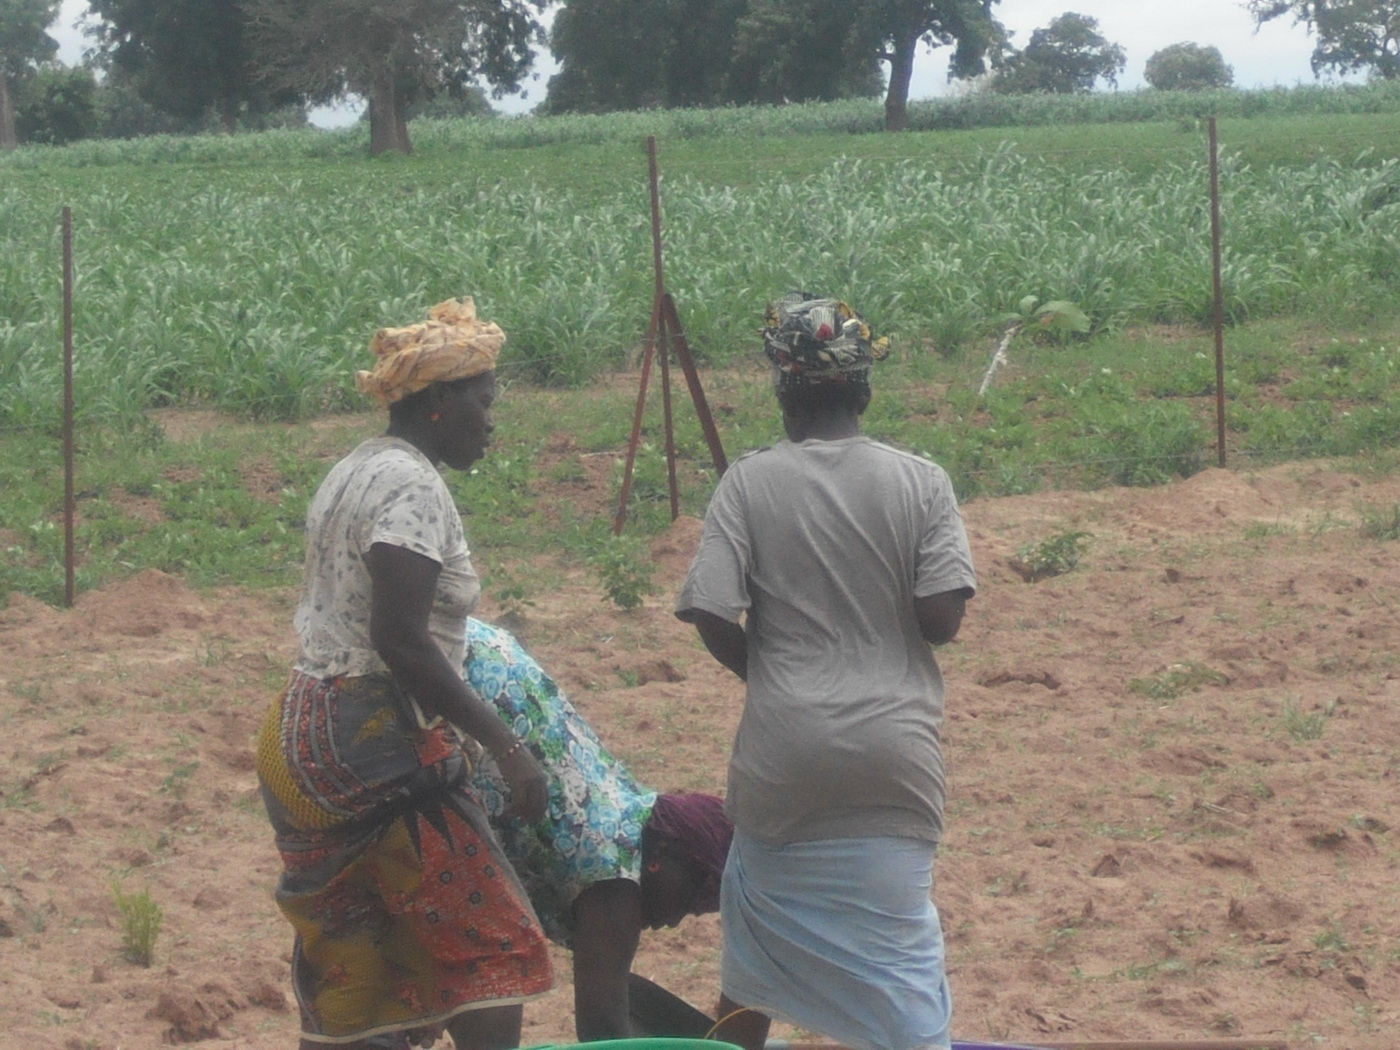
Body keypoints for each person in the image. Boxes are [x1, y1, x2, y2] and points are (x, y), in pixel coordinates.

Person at [674, 292, 978, 1050]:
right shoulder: (922, 482)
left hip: (784, 755)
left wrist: (771, 674)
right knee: (903, 959)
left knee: (750, 974)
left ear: (785, 393)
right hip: (894, 756)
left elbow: (712, 611)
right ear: (865, 388)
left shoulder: (748, 483)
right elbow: (941, 620)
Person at [256, 298, 555, 1050]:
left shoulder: (355, 467)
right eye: (482, 404)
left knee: (356, 951)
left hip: (300, 732)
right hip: (373, 736)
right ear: (435, 404)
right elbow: (402, 640)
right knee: (495, 942)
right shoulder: (412, 486)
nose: (492, 421)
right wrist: (504, 745)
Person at [460, 616, 733, 1044]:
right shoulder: (615, 880)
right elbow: (603, 1034)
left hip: (467, 654)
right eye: (691, 898)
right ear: (665, 857)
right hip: (446, 677)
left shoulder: (620, 807)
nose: (677, 920)